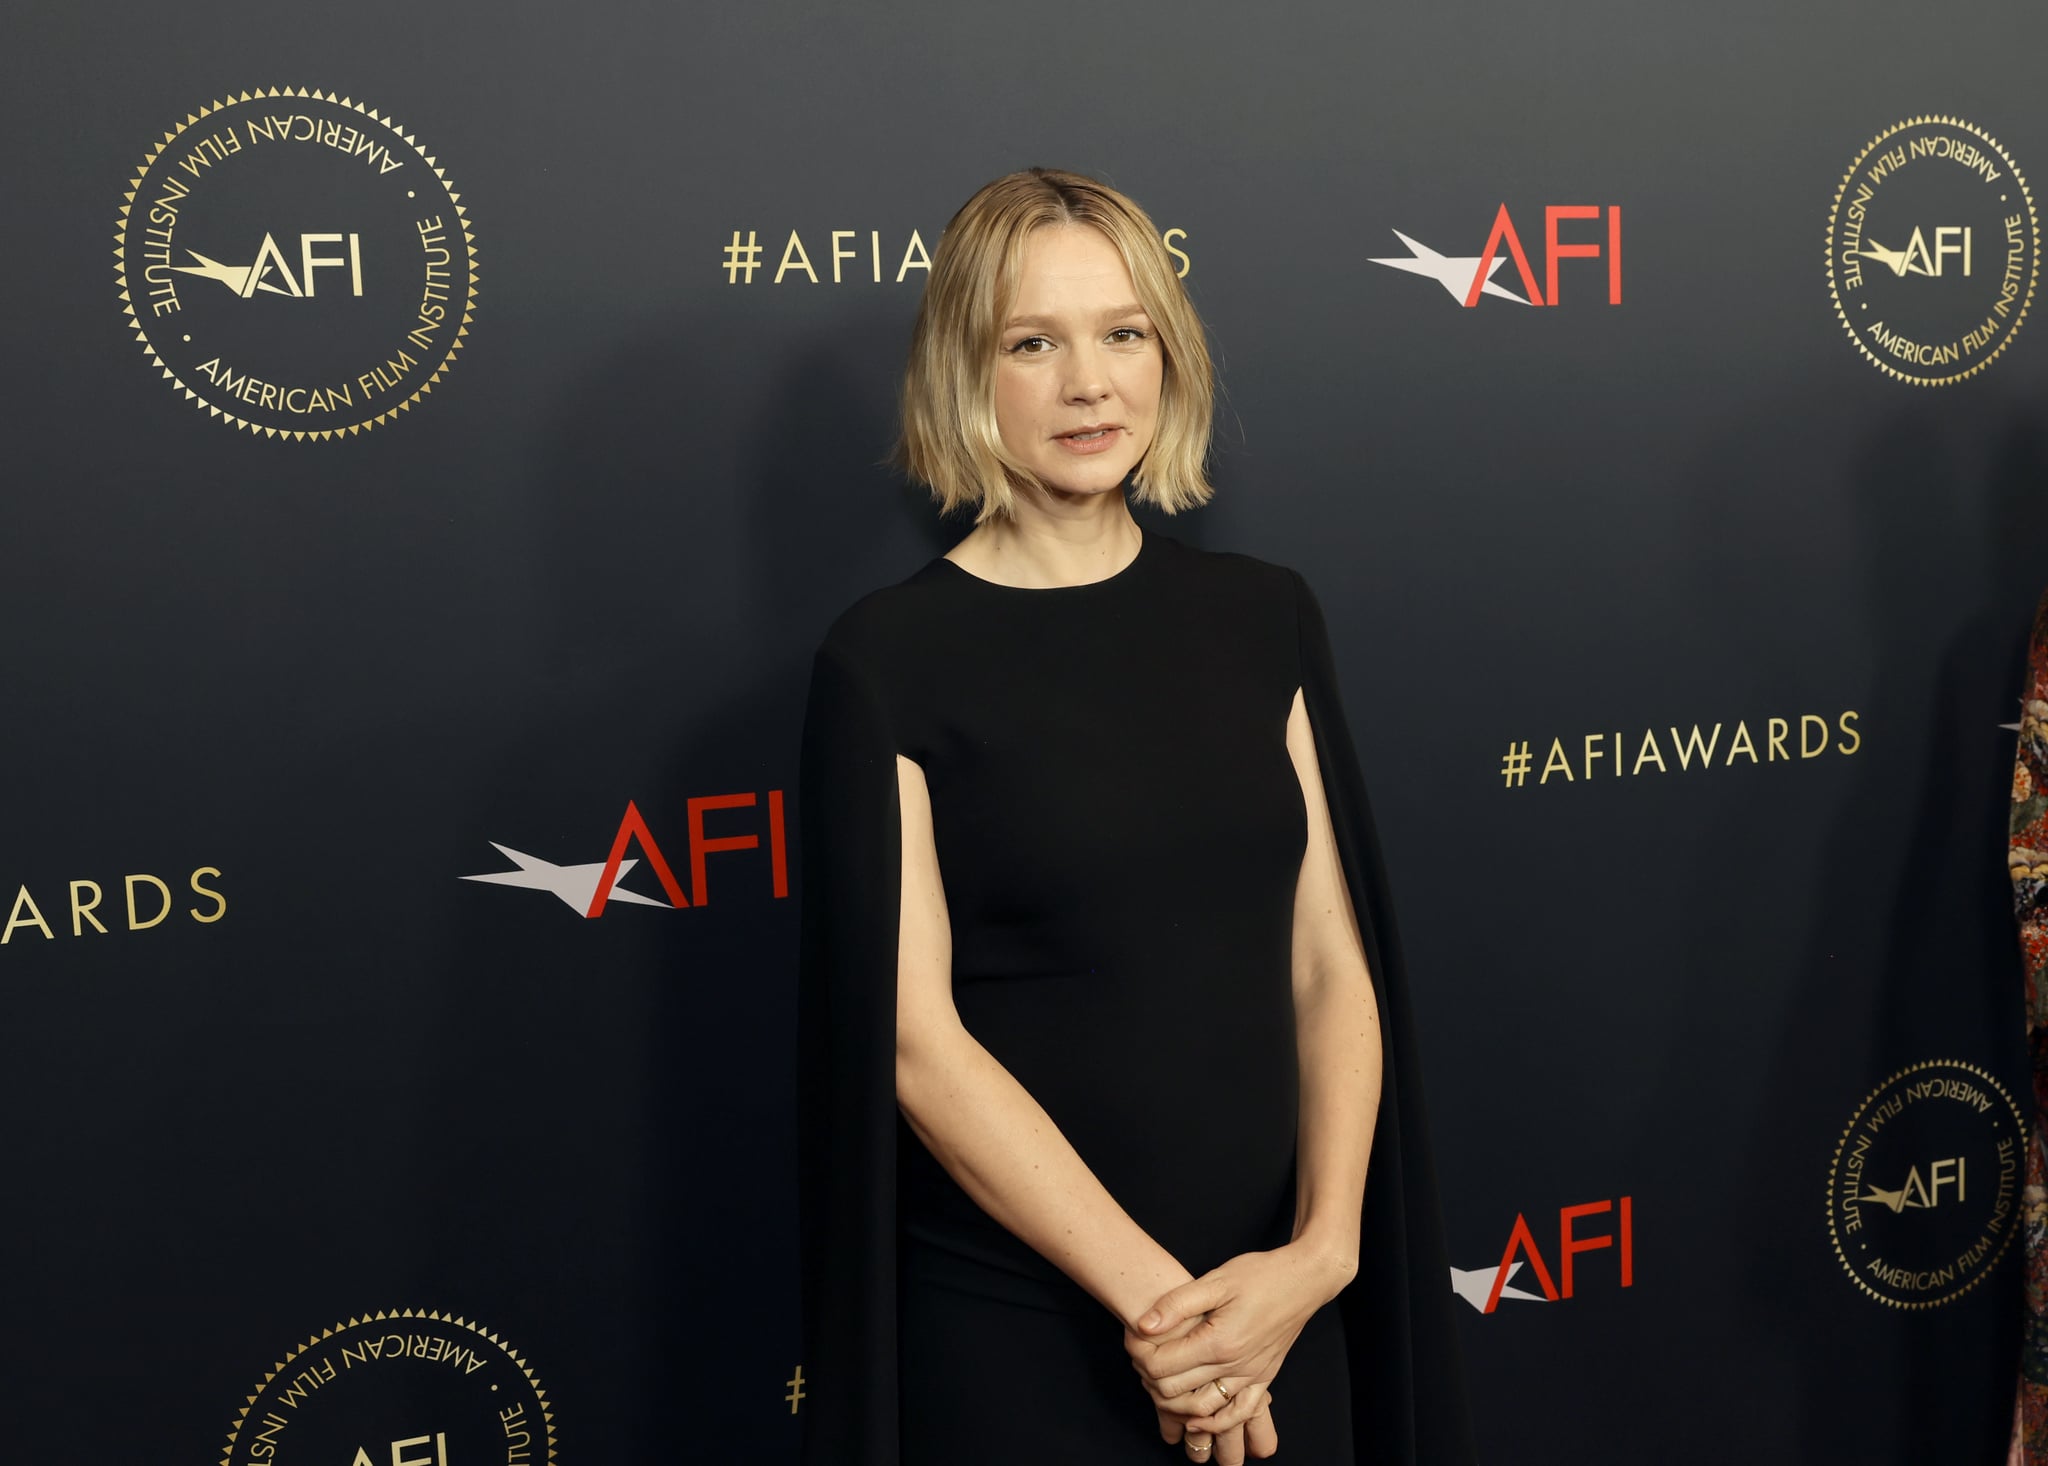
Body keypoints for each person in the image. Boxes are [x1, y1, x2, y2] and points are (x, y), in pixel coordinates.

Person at [797, 167, 1473, 1466]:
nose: (1089, 382)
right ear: (964, 372)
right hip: (1026, 1335)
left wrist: (1318, 1258)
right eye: (1033, 343)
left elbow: (1333, 963)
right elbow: (915, 1041)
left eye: (1123, 333)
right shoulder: (886, 660)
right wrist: (1174, 1321)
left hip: (1281, 1313)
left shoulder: (1262, 614)